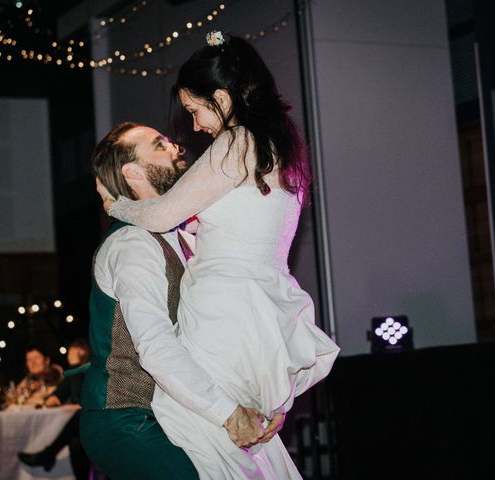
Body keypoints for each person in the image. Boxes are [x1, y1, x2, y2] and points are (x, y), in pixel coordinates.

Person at [99, 32, 340, 478]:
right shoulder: (280, 149)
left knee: (203, 439)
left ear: (223, 98)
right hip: (262, 315)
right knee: (241, 447)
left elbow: (161, 214)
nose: (192, 127)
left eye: (195, 110)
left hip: (223, 315)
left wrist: (116, 206)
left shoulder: (235, 144)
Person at [80, 121, 272, 480]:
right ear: (133, 171)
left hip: (178, 412)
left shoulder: (186, 238)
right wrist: (229, 414)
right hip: (126, 418)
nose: (176, 149)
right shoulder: (132, 245)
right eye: (159, 145)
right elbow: (155, 345)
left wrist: (260, 400)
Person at [18, 339, 90, 479]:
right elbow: (55, 397)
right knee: (75, 442)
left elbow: (80, 400)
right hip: (76, 427)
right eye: (28, 359)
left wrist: (75, 365)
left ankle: (48, 454)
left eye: (36, 358)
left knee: (77, 437)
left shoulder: (93, 371)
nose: (68, 357)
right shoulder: (28, 380)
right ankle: (48, 455)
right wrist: (54, 399)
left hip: (98, 421)